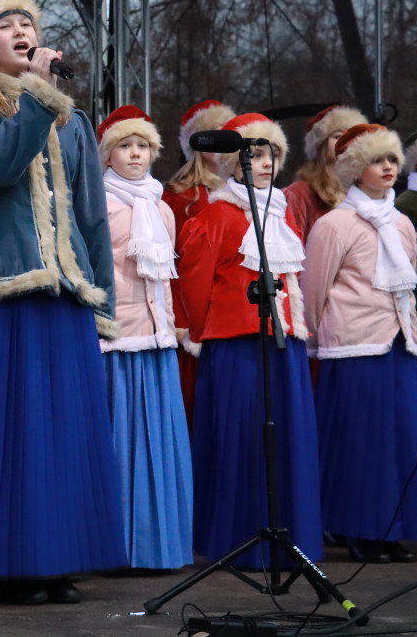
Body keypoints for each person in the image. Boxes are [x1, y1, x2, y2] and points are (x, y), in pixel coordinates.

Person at [0, 0, 125, 605]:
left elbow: (92, 216)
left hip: (65, 292)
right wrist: (38, 98)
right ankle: (6, 563)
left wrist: (103, 305)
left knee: (63, 432)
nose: (20, 32)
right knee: (7, 431)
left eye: (28, 24)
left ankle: (60, 559)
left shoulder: (74, 120)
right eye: (5, 25)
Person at [177, 113, 323, 567]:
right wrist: (205, 333)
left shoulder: (280, 214)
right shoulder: (216, 216)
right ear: (233, 162)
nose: (265, 163)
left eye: (272, 154)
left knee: (286, 442)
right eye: (255, 154)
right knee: (242, 440)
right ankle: (238, 540)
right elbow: (195, 284)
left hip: (284, 342)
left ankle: (288, 539)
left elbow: (293, 278)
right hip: (238, 344)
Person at [303, 124, 417, 564]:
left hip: (398, 345)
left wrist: (410, 332)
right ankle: (356, 528)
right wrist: (320, 340)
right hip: (352, 347)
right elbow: (314, 289)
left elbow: (407, 286)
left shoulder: (403, 224)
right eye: (376, 160)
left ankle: (393, 528)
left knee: (401, 438)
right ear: (355, 169)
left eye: (391, 158)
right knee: (360, 441)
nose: (387, 167)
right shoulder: (335, 225)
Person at [96, 105, 193, 572]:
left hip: (156, 339)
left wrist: (169, 328)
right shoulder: (97, 202)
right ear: (107, 154)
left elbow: (167, 277)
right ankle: (114, 545)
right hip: (115, 339)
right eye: (124, 145)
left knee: (158, 442)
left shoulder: (160, 207)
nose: (135, 154)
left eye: (143, 146)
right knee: (120, 441)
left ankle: (157, 545)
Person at [164, 100, 236, 425]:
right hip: (191, 317)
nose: (224, 138)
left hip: (229, 310)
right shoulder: (179, 196)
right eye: (215, 132)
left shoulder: (244, 193)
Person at [285, 105, 367, 240]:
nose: (345, 143)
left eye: (353, 137)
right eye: (338, 136)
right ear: (321, 145)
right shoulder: (300, 192)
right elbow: (290, 244)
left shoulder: (366, 188)